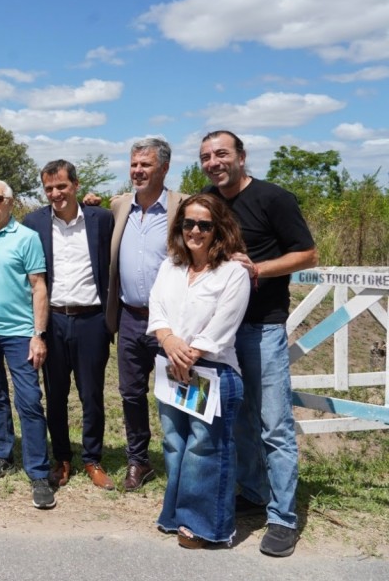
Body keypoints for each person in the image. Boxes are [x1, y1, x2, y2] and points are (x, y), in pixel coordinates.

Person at [199, 130, 318, 557]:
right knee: (238, 420)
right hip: (218, 333)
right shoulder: (206, 201)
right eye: (207, 157)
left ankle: (283, 518)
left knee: (274, 425)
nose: (214, 162)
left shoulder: (274, 198)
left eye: (222, 154)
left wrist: (258, 269)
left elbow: (307, 254)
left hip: (263, 327)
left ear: (242, 157)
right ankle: (251, 491)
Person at [147, 193, 251, 548]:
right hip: (171, 366)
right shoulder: (170, 267)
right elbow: (157, 307)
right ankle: (176, 515)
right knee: (175, 444)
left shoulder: (233, 272)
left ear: (219, 229)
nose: (195, 230)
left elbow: (223, 326)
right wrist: (168, 341)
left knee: (205, 449)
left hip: (210, 371)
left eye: (204, 225)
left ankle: (205, 526)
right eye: (188, 223)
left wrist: (186, 353)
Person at [24, 160, 115, 491]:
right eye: (49, 188)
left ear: (75, 185)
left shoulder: (101, 218)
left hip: (92, 318)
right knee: (56, 393)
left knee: (91, 394)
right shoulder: (33, 221)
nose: (55, 193)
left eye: (61, 186)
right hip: (54, 319)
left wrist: (99, 199)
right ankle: (62, 458)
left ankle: (92, 458)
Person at [0, 179, 55, 510]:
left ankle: (38, 472)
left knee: (30, 401)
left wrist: (38, 334)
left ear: (10, 202)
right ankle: (3, 454)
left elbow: (38, 287)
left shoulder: (27, 239)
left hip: (20, 334)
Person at [106, 138, 186, 491]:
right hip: (130, 316)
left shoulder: (181, 207)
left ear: (164, 168)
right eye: (134, 164)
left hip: (172, 320)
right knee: (131, 393)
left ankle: (182, 462)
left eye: (146, 165)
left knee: (179, 392)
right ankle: (139, 461)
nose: (137, 171)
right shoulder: (119, 205)